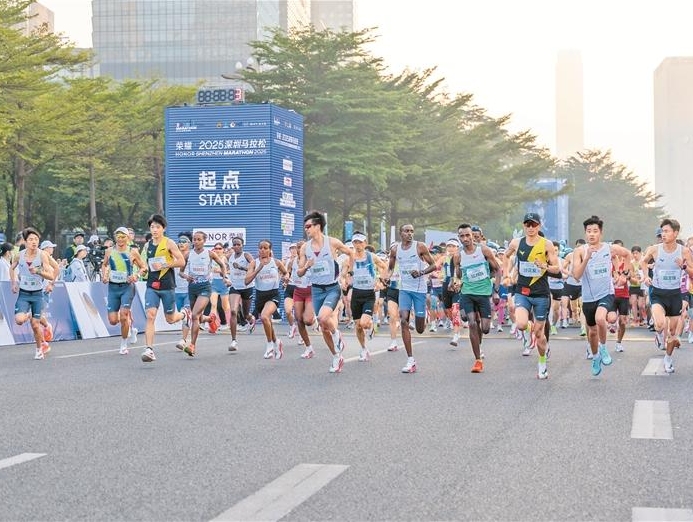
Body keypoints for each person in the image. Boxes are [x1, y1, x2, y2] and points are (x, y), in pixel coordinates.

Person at [572, 215, 632, 376]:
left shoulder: (609, 248)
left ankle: (604, 348)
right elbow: (576, 275)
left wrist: (624, 274)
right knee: (592, 332)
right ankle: (596, 356)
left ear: (601, 233)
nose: (592, 234)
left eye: (595, 231)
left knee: (600, 319)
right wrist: (587, 258)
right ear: (585, 233)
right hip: (588, 298)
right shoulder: (579, 251)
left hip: (606, 293)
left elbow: (627, 254)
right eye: (589, 231)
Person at [503, 213, 560, 379]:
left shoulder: (547, 244)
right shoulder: (516, 243)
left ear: (539, 226)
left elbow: (557, 268)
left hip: (541, 293)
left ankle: (542, 363)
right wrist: (506, 274)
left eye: (533, 225)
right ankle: (531, 331)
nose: (530, 228)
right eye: (527, 225)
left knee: (540, 334)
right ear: (523, 226)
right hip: (523, 291)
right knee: (521, 324)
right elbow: (506, 256)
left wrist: (545, 266)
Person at [298, 210, 353, 373]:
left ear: (318, 226)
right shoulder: (305, 248)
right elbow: (299, 272)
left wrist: (348, 274)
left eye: (308, 226)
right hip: (316, 289)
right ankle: (336, 357)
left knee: (322, 317)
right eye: (305, 227)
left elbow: (350, 253)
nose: (306, 229)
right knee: (323, 326)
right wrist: (306, 266)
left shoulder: (332, 242)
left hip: (332, 288)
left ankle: (336, 334)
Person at [382, 223, 437, 373]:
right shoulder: (395, 249)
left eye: (412, 231)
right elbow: (391, 267)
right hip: (404, 289)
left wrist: (421, 272)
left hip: (419, 290)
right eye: (406, 231)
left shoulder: (420, 247)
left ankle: (423, 316)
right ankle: (410, 360)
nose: (410, 233)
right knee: (403, 320)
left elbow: (433, 265)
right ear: (401, 233)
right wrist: (387, 277)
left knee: (420, 329)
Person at [640, 218, 693, 373]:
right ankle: (658, 333)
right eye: (662, 231)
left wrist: (683, 266)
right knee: (660, 324)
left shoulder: (684, 251)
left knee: (673, 333)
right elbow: (643, 262)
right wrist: (646, 276)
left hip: (675, 294)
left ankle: (668, 359)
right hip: (658, 293)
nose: (663, 234)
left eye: (667, 231)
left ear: (675, 233)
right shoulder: (654, 249)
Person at [452, 223, 501, 373]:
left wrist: (496, 291)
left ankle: (479, 343)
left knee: (484, 329)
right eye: (462, 236)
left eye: (468, 235)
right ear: (459, 237)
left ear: (472, 236)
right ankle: (478, 360)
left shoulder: (484, 250)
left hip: (484, 293)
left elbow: (497, 269)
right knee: (472, 323)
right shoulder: (458, 255)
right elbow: (458, 275)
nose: (465, 238)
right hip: (467, 293)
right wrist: (455, 282)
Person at [140, 214, 187, 363]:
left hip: (167, 286)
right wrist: (142, 270)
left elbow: (181, 262)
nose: (154, 230)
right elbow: (144, 265)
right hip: (152, 286)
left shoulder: (169, 243)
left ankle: (184, 314)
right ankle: (149, 349)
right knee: (150, 316)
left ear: (163, 228)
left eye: (158, 227)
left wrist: (165, 264)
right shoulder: (147, 245)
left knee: (170, 319)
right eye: (152, 227)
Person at [177, 230, 229, 356]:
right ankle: (210, 319)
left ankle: (192, 345)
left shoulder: (210, 254)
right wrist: (186, 276)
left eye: (199, 239)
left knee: (194, 315)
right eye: (194, 239)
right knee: (199, 317)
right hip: (192, 287)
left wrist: (225, 277)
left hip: (205, 287)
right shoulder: (188, 254)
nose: (196, 242)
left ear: (204, 241)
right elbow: (180, 272)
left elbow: (222, 265)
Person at [9, 227, 56, 359]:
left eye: (36, 239)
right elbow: (12, 268)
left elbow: (51, 275)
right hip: (24, 294)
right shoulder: (19, 255)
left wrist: (38, 271)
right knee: (19, 320)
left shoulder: (42, 255)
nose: (34, 242)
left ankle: (39, 349)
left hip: (37, 294)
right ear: (25, 242)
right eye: (31, 239)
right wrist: (13, 283)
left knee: (35, 325)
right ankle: (29, 315)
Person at [342, 231, 388, 362]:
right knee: (358, 326)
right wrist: (344, 280)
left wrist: (380, 282)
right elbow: (344, 274)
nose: (358, 245)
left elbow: (384, 267)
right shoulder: (349, 259)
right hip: (356, 293)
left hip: (369, 294)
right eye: (355, 242)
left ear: (365, 243)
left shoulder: (371, 256)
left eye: (360, 242)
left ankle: (371, 324)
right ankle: (364, 349)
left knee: (363, 323)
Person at [101, 226, 147, 355]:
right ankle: (130, 326)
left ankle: (124, 344)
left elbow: (144, 267)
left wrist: (136, 275)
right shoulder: (109, 251)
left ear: (128, 238)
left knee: (123, 316)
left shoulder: (133, 252)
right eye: (118, 237)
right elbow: (104, 264)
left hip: (127, 287)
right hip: (113, 288)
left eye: (123, 237)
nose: (120, 239)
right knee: (113, 321)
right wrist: (104, 275)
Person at [244, 239, 289, 360]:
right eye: (260, 248)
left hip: (273, 295)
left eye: (265, 248)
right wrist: (258, 269)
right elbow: (246, 281)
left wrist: (285, 278)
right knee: (267, 321)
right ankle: (276, 341)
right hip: (260, 296)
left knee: (264, 317)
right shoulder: (254, 263)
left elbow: (286, 273)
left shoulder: (276, 262)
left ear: (270, 250)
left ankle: (269, 346)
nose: (263, 250)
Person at [227, 236, 255, 351]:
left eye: (239, 244)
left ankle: (251, 319)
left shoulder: (246, 255)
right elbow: (225, 268)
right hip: (234, 287)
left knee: (245, 314)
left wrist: (241, 267)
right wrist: (225, 277)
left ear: (242, 245)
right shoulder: (229, 257)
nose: (236, 246)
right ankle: (234, 341)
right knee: (233, 311)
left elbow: (254, 268)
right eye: (234, 244)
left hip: (247, 287)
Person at [38, 240, 61, 342]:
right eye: (51, 247)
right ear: (45, 249)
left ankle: (46, 329)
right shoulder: (39, 259)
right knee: (36, 314)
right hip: (36, 289)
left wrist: (51, 284)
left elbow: (56, 273)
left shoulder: (51, 261)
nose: (52, 249)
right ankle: (45, 329)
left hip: (44, 290)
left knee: (37, 314)